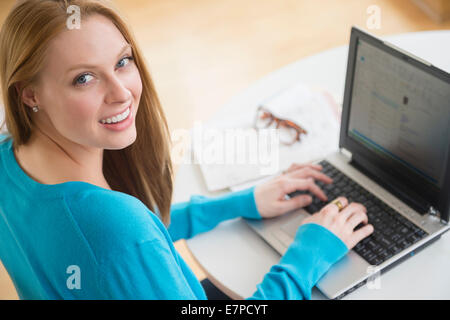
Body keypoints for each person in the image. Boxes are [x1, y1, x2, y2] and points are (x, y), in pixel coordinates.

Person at [0, 0, 373, 300]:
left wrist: (241, 203)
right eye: (83, 78)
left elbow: (120, 253)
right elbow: (120, 243)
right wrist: (309, 257)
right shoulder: (115, 225)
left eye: (122, 62)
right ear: (29, 94)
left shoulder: (8, 160)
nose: (121, 92)